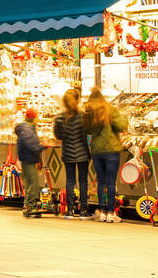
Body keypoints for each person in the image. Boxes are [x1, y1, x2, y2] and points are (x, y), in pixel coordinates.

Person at [85, 88, 128, 223]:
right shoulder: (110, 109)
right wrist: (123, 116)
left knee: (101, 182)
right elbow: (121, 126)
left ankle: (102, 211)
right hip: (111, 149)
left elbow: (87, 131)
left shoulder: (88, 113)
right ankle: (111, 212)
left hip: (97, 150)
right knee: (110, 182)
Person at [53, 88, 91, 219]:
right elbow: (85, 134)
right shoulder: (83, 116)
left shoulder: (59, 118)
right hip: (82, 152)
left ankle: (70, 210)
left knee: (70, 180)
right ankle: (83, 210)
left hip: (67, 152)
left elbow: (58, 135)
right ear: (78, 100)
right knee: (83, 181)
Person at [14, 108, 45, 218]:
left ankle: (27, 205)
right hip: (29, 159)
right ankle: (30, 206)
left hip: (25, 158)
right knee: (33, 183)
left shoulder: (24, 128)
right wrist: (42, 146)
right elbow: (32, 144)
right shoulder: (28, 129)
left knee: (28, 183)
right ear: (33, 117)